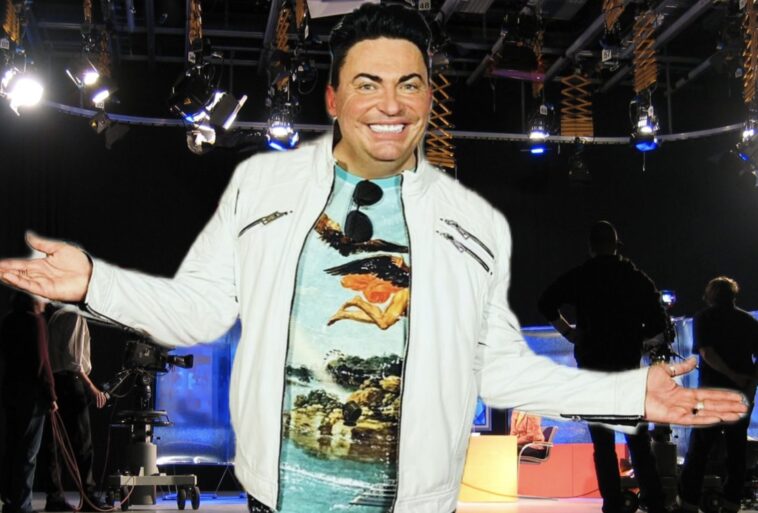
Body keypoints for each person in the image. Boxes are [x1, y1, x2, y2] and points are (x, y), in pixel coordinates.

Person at [0, 5, 747, 513]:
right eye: (369, 83)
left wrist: (628, 396)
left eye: (408, 84)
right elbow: (198, 307)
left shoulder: (474, 225)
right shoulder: (263, 189)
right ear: (333, 98)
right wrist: (95, 283)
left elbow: (499, 369)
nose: (390, 104)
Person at [537, 220, 670, 513]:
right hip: (627, 370)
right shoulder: (635, 277)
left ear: (590, 247)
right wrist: (637, 340)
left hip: (593, 370)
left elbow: (546, 302)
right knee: (638, 444)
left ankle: (612, 504)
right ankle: (655, 503)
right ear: (616, 245)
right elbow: (659, 323)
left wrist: (569, 332)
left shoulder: (582, 276)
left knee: (603, 445)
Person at [677, 276, 758, 513]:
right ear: (734, 295)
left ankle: (689, 502)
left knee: (699, 450)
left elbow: (707, 353)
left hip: (711, 393)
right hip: (741, 395)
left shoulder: (704, 317)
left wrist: (731, 376)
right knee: (736, 450)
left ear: (711, 295)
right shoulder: (748, 321)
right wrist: (749, 384)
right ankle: (731, 503)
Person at [44, 308, 107, 512]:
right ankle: (89, 496)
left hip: (55, 382)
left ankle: (54, 498)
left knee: (55, 445)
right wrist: (91, 387)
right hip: (70, 383)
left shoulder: (56, 316)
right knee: (82, 444)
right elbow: (74, 362)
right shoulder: (74, 316)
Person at [0, 292, 57, 513]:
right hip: (31, 396)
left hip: (11, 392)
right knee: (28, 453)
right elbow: (42, 361)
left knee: (12, 448)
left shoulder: (8, 321)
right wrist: (51, 394)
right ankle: (22, 504)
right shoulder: (35, 322)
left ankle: (10, 500)